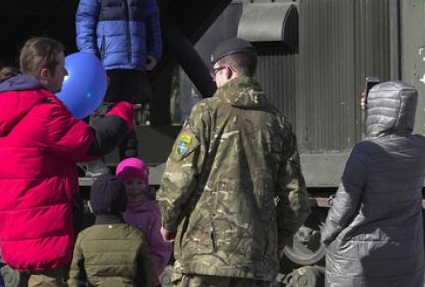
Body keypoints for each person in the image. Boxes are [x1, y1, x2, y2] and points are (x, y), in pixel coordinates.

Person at [0, 37, 136, 287]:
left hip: (15, 232)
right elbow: (93, 144)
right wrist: (123, 112)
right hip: (45, 233)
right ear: (45, 73)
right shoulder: (44, 111)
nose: (66, 73)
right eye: (61, 67)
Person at [158, 38, 309, 287]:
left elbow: (178, 177)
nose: (214, 80)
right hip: (256, 260)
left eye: (214, 73)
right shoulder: (279, 123)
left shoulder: (206, 112)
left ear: (226, 71)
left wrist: (168, 222)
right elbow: (296, 200)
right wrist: (274, 242)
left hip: (204, 258)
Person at [321, 81, 425, 287]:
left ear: (377, 109)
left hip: (360, 256)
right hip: (405, 253)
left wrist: (326, 236)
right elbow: (394, 119)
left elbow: (344, 205)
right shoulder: (422, 147)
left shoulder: (364, 151)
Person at [75, 0, 162, 160]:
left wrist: (154, 51)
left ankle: (129, 161)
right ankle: (94, 160)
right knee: (101, 111)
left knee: (130, 113)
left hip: (134, 64)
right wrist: (90, 56)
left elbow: (153, 20)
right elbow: (84, 24)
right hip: (106, 64)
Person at [69, 174, 156, 287]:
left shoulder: (84, 237)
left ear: (93, 205)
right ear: (123, 203)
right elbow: (148, 277)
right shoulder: (136, 236)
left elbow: (75, 278)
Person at [116, 157, 170, 280]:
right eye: (129, 183)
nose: (134, 188)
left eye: (139, 183)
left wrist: (149, 274)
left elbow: (160, 249)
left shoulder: (152, 215)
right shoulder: (116, 212)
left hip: (143, 274)